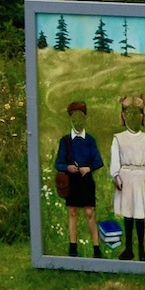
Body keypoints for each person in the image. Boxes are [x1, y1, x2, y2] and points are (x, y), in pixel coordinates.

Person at [111, 94, 145, 262]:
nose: (133, 117)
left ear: (142, 116)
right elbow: (115, 158)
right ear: (124, 116)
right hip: (126, 178)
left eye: (136, 113)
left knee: (139, 215)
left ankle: (141, 249)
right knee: (128, 215)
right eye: (129, 113)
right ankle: (128, 249)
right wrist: (116, 175)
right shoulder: (119, 138)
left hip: (140, 178)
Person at [54, 100, 103, 255]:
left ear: (84, 118)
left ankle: (96, 248)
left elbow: (98, 160)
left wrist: (88, 168)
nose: (77, 120)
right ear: (70, 119)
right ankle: (72, 247)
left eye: (80, 116)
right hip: (72, 181)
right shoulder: (65, 141)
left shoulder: (90, 140)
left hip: (86, 180)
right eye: (74, 117)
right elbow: (58, 163)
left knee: (89, 212)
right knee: (73, 211)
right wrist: (67, 167)